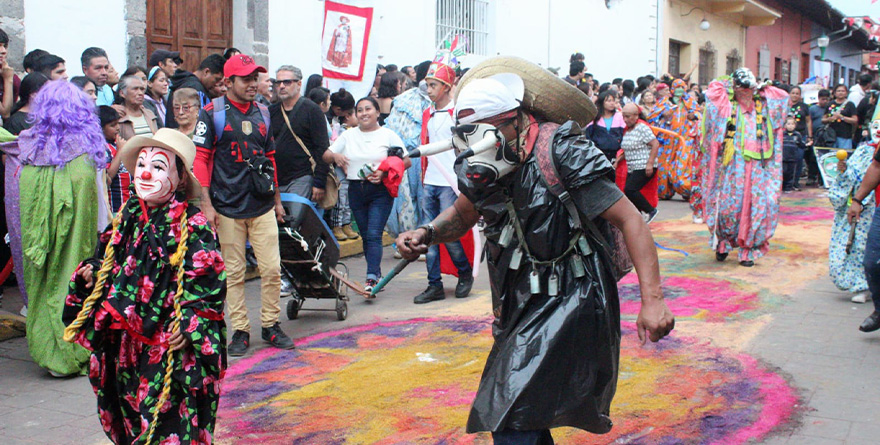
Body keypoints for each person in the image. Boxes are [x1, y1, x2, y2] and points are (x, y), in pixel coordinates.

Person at [396, 64, 674, 443]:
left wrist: (653, 300)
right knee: (525, 414)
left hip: (574, 298)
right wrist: (427, 232)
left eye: (485, 134)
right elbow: (464, 212)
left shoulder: (562, 150)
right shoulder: (484, 162)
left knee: (511, 414)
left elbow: (631, 220)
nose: (478, 147)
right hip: (517, 302)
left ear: (517, 121)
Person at [63, 128, 226, 445]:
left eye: (160, 166)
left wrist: (191, 321)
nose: (147, 172)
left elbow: (208, 283)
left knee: (167, 419)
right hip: (126, 341)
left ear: (179, 179)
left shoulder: (192, 224)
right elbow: (110, 261)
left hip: (167, 344)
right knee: (130, 410)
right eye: (141, 164)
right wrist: (93, 274)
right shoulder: (127, 216)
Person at [0, 80, 109, 376]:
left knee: (41, 285)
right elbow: (99, 202)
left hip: (36, 236)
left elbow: (15, 196)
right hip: (77, 234)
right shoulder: (87, 149)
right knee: (72, 281)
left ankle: (47, 349)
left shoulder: (25, 146)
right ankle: (71, 349)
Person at [193, 54, 294, 356]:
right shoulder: (212, 114)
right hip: (226, 207)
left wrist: (277, 201)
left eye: (255, 78)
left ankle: (270, 324)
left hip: (261, 205)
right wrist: (207, 205)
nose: (253, 84)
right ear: (228, 82)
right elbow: (201, 159)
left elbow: (271, 158)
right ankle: (240, 330)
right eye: (247, 79)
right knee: (234, 274)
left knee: (272, 269)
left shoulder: (263, 113)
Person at [701, 68, 788, 267]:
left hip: (758, 167)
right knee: (728, 207)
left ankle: (748, 249)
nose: (746, 93)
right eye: (742, 88)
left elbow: (782, 98)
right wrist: (730, 83)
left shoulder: (763, 106)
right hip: (732, 168)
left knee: (755, 207)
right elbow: (712, 91)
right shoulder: (727, 105)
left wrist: (763, 88)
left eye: (750, 89)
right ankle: (722, 242)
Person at [323, 97, 405, 291]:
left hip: (380, 191)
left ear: (378, 112)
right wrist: (335, 156)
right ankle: (376, 274)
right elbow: (326, 154)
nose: (364, 113)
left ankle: (370, 278)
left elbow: (405, 160)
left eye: (368, 109)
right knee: (366, 235)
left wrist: (384, 172)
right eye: (359, 110)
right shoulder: (348, 135)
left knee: (374, 234)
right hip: (356, 190)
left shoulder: (388, 135)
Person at [411, 60, 473, 305]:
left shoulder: (458, 113)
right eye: (427, 84)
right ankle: (434, 284)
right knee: (428, 234)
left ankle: (464, 272)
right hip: (430, 181)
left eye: (433, 84)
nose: (429, 89)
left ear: (447, 87)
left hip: (451, 182)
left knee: (448, 233)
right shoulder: (428, 113)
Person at [831, 112, 880, 305]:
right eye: (875, 126)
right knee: (863, 247)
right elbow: (864, 172)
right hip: (869, 208)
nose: (878, 130)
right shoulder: (863, 152)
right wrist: (857, 199)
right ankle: (863, 286)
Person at [656, 78, 699, 201]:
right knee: (665, 165)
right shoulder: (665, 102)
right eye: (677, 87)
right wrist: (663, 115)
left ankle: (687, 190)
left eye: (682, 87)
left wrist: (694, 115)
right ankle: (664, 191)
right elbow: (652, 115)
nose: (679, 90)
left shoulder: (689, 102)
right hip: (668, 140)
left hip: (684, 140)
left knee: (682, 166)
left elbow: (699, 114)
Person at [326, 88, 359, 241]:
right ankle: (336, 225)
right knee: (339, 196)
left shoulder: (341, 123)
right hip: (334, 163)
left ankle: (347, 223)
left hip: (346, 162)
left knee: (347, 196)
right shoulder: (326, 120)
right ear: (338, 109)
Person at [620, 103, 660, 221]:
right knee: (628, 193)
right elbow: (626, 150)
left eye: (628, 117)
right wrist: (618, 161)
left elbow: (655, 144)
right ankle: (638, 217)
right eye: (624, 117)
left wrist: (650, 163)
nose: (625, 120)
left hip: (643, 165)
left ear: (636, 116)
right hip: (632, 166)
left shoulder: (642, 127)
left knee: (630, 189)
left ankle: (650, 210)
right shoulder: (627, 130)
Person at [166, 54, 226, 128]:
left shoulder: (186, 82)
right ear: (206, 72)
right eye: (216, 79)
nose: (216, 84)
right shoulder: (195, 89)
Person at [98, 105, 131, 213]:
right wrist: (121, 151)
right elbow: (108, 176)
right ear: (101, 128)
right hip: (115, 206)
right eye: (112, 125)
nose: (117, 128)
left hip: (128, 201)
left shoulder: (118, 143)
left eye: (118, 123)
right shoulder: (103, 148)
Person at [585, 90, 624, 162]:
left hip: (616, 154)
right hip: (598, 154)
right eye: (608, 101)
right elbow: (588, 136)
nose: (612, 103)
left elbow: (623, 135)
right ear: (602, 102)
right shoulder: (595, 117)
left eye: (613, 101)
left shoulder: (620, 116)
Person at [115, 75, 159, 141]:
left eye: (142, 89)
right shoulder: (118, 117)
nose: (140, 93)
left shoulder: (150, 114)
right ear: (122, 93)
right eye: (135, 89)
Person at [788, 86, 812, 190]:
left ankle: (795, 182)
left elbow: (808, 121)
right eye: (793, 93)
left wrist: (810, 136)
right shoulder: (785, 105)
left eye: (797, 93)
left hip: (800, 135)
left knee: (798, 158)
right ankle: (786, 182)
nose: (795, 95)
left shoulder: (804, 106)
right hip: (787, 136)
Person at [808, 89, 831, 185]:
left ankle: (822, 178)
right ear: (818, 99)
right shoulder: (813, 109)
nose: (825, 101)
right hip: (816, 135)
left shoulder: (830, 108)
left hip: (827, 136)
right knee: (812, 157)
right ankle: (811, 176)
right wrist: (810, 136)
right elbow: (809, 122)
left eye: (826, 99)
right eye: (822, 99)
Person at [823, 84, 857, 149]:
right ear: (835, 93)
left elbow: (855, 120)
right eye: (838, 91)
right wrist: (829, 119)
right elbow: (823, 119)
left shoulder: (850, 104)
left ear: (846, 93)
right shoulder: (830, 104)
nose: (840, 93)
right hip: (831, 136)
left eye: (843, 91)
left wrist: (842, 117)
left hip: (845, 136)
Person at [781, 116, 807, 193]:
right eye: (788, 124)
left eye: (792, 124)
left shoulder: (797, 135)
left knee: (790, 173)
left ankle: (788, 188)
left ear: (795, 125)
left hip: (793, 158)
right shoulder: (782, 134)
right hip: (783, 157)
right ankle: (782, 186)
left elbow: (801, 145)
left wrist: (807, 144)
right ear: (785, 125)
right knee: (783, 172)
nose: (790, 126)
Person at [0, 28, 20, 120]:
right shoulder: (8, 76)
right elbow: (5, 113)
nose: (3, 51)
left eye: (5, 46)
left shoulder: (12, 76)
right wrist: (8, 80)